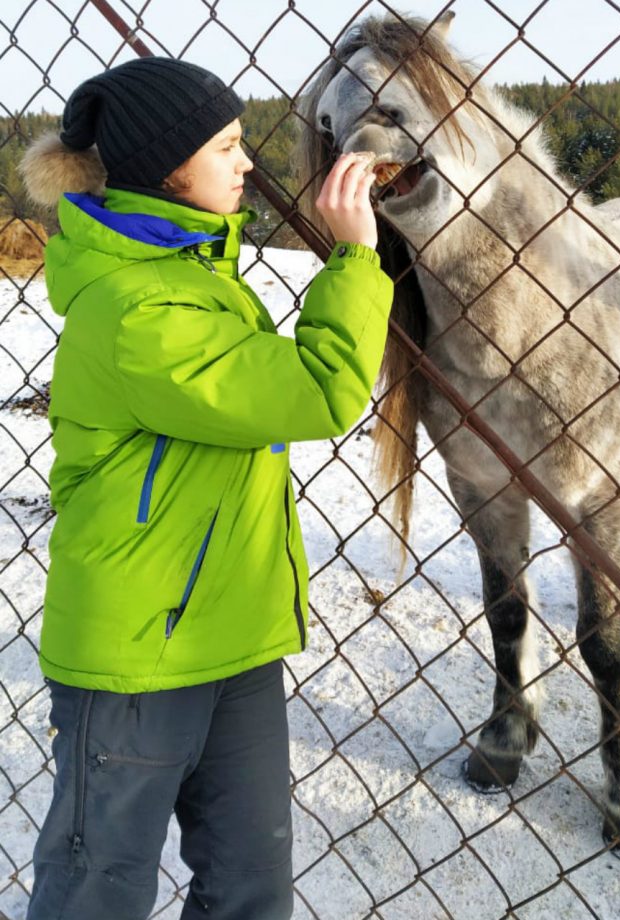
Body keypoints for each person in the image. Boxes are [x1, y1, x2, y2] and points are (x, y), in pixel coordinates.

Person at [19, 56, 393, 920]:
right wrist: (354, 259)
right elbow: (317, 391)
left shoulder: (195, 274)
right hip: (138, 659)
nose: (247, 161)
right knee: (97, 891)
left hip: (234, 641)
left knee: (251, 889)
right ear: (164, 168)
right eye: (225, 144)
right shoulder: (138, 308)